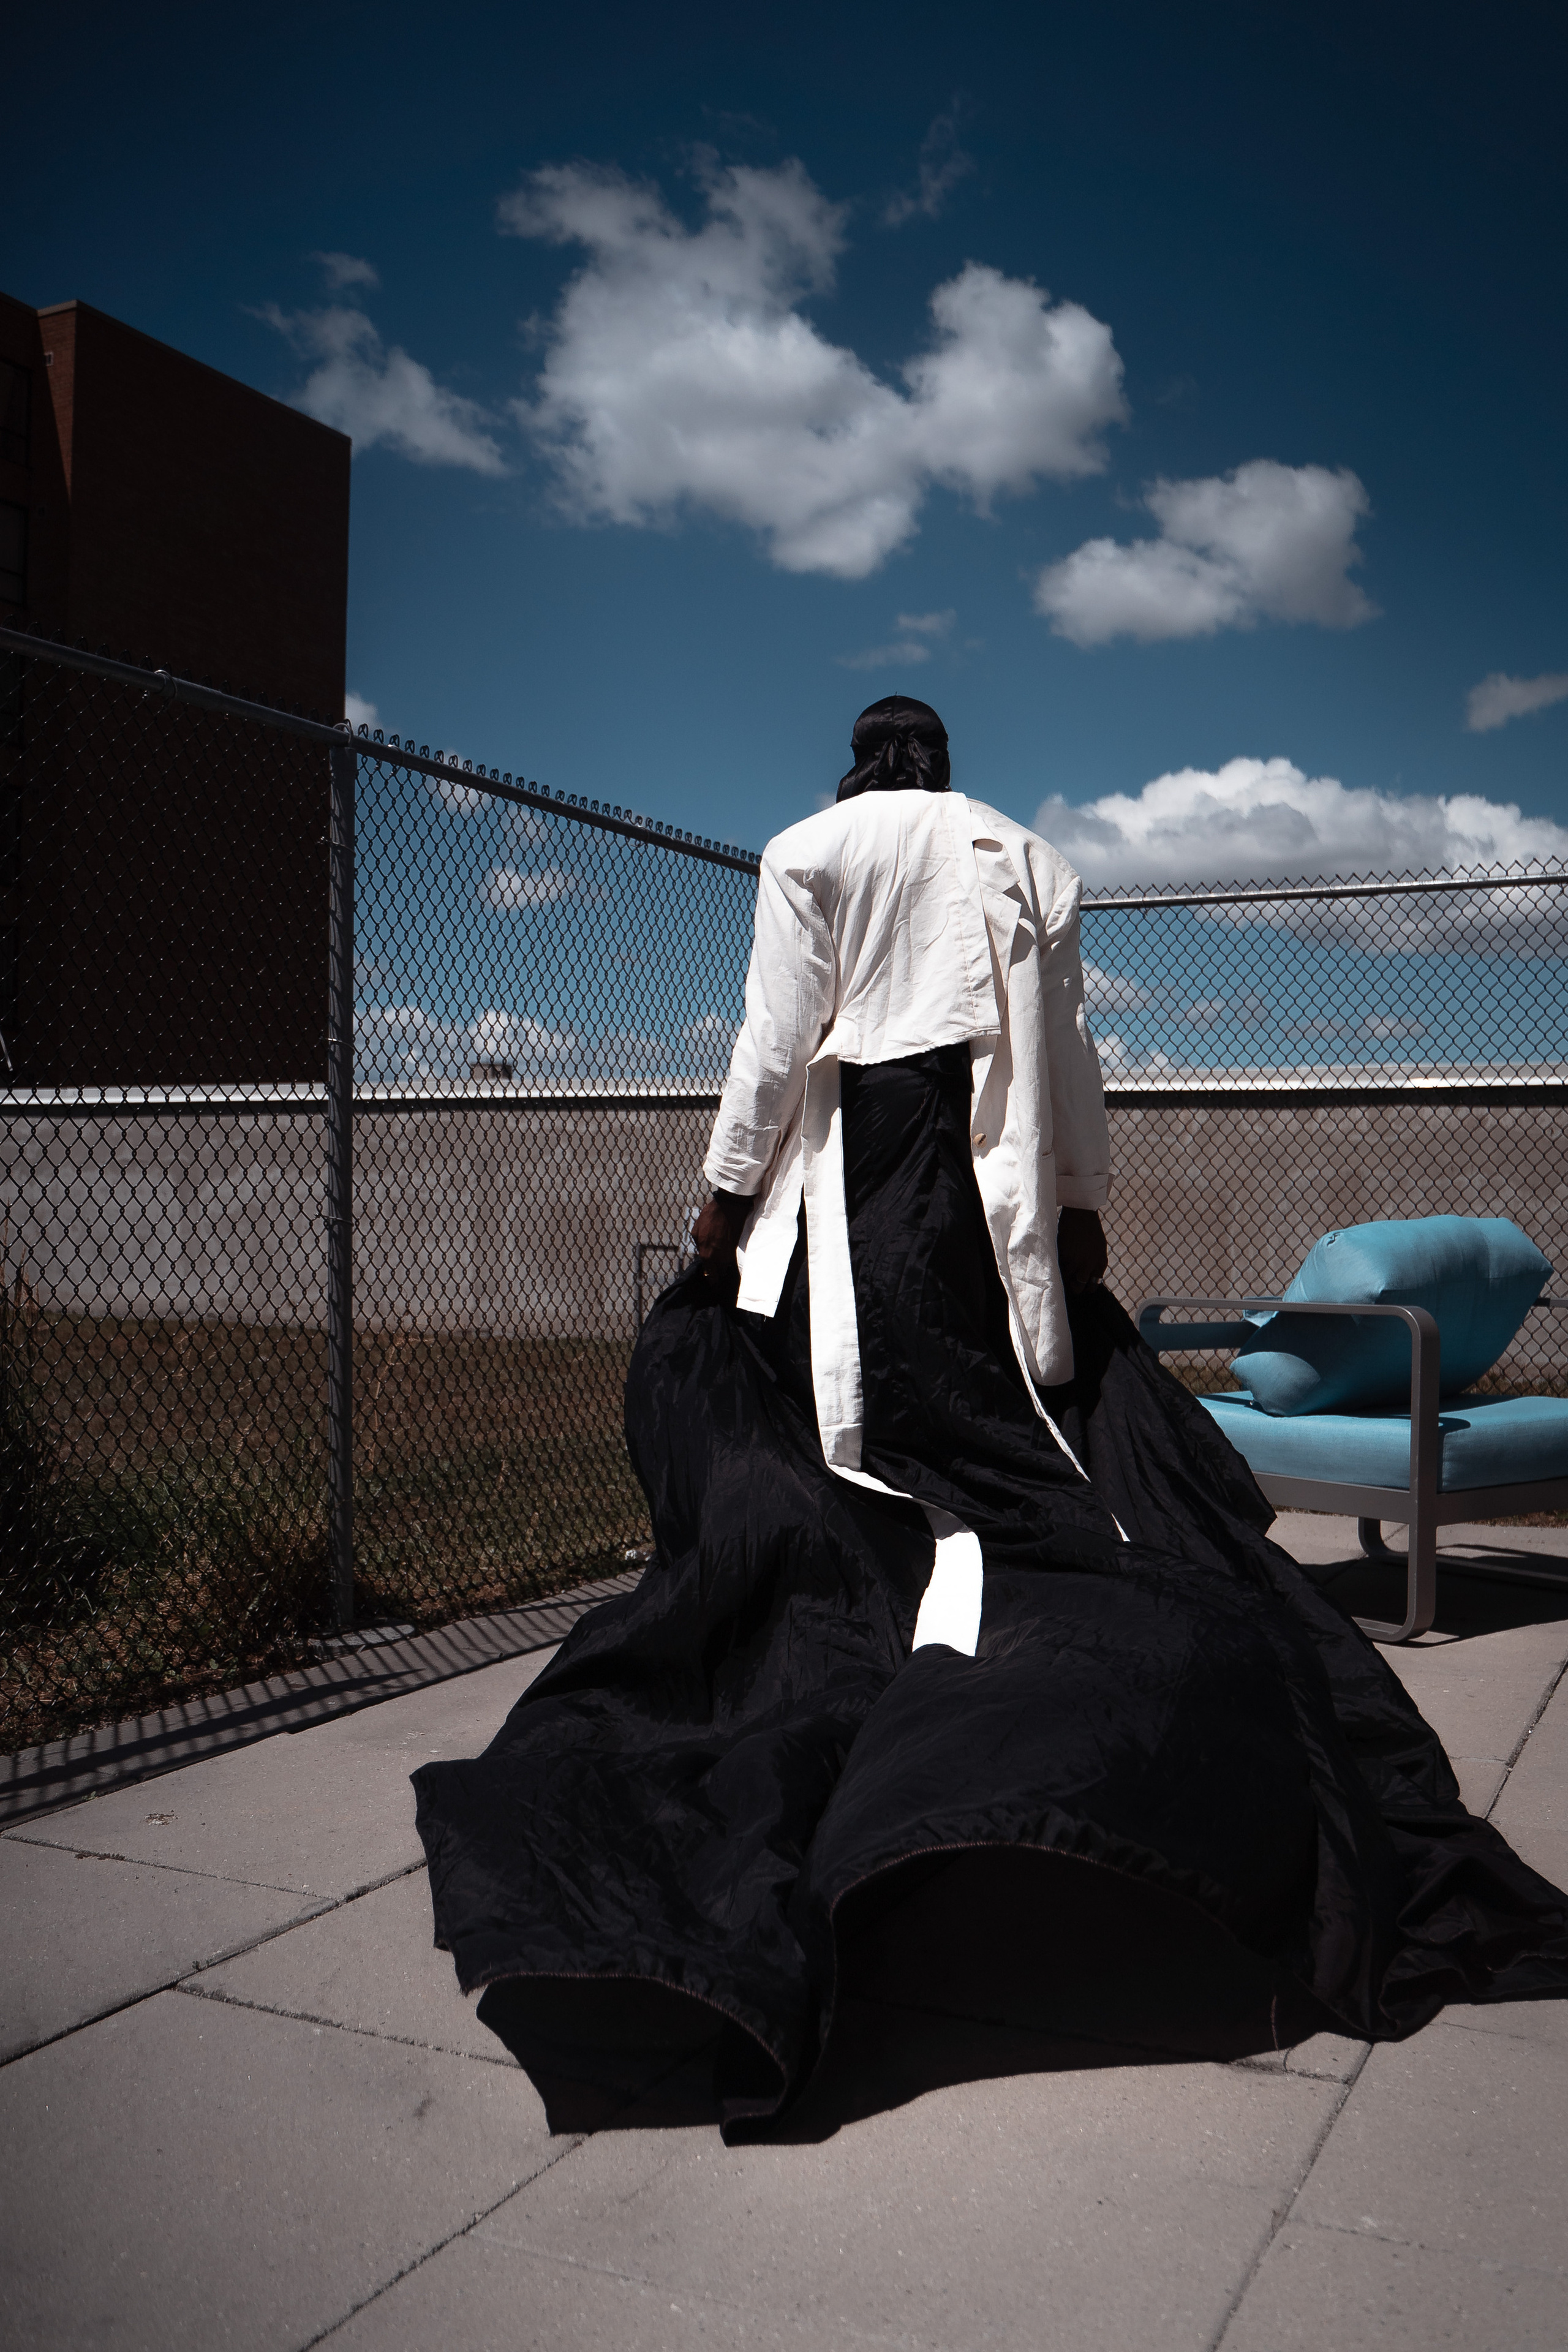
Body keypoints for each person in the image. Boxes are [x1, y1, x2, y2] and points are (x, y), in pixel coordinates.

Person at [413, 696, 1568, 2139]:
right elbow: (1069, 1061)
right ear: (940, 764)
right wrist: (1078, 1221)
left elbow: (775, 1049)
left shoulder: (806, 850)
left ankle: (865, 1700)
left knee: (840, 1476)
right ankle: (998, 1706)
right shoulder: (1027, 856)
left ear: (854, 760)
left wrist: (717, 1206)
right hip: (973, 1206)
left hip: (853, 1209)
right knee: (1018, 1463)